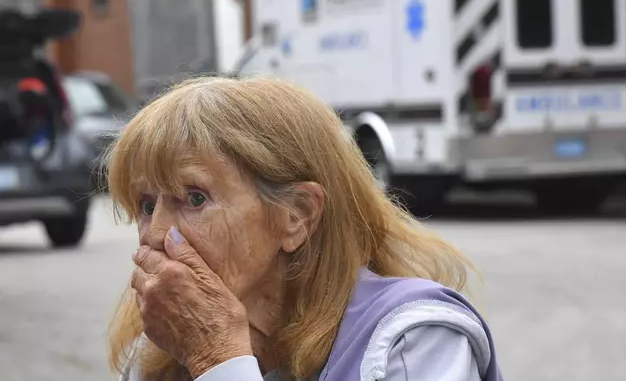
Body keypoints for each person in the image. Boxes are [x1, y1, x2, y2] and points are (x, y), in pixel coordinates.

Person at [106, 76, 504, 381]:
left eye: (194, 198)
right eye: (146, 205)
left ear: (297, 215)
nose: (155, 235)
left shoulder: (411, 339)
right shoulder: (158, 349)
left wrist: (218, 360)